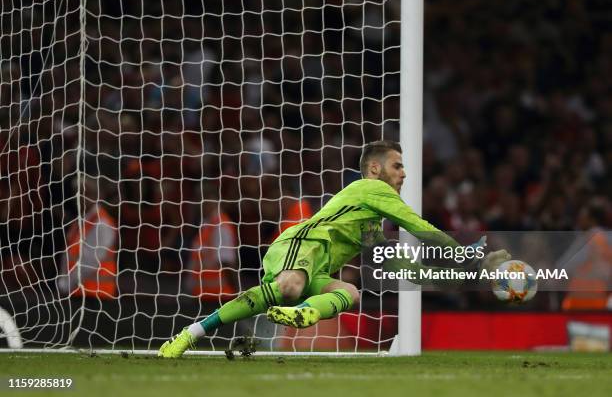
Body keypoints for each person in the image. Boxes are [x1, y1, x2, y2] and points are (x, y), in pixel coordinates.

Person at [158, 140, 503, 357]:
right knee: (290, 287)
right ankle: (191, 333)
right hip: (300, 244)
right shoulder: (372, 188)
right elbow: (420, 228)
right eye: (397, 165)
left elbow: (406, 268)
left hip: (316, 268)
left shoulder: (368, 226)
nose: (404, 174)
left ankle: (298, 314)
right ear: (374, 168)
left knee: (349, 292)